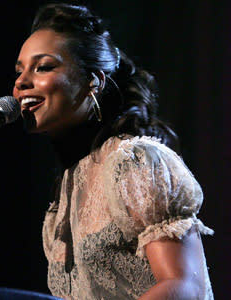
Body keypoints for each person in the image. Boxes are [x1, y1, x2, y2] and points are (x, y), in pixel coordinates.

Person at [12, 3, 214, 300]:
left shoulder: (134, 162)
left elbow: (185, 287)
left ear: (93, 82)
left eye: (43, 67)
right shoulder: (65, 190)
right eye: (19, 71)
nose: (20, 82)